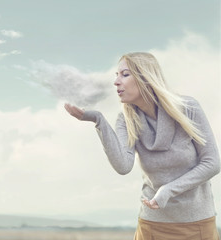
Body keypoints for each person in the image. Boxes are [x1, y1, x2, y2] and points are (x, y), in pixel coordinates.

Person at [64, 52, 220, 240]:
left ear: (145, 78)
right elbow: (123, 166)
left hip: (197, 225)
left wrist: (168, 190)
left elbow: (212, 162)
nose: (116, 82)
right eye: (116, 75)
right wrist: (98, 120)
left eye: (125, 74)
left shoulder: (188, 108)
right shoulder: (127, 119)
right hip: (152, 226)